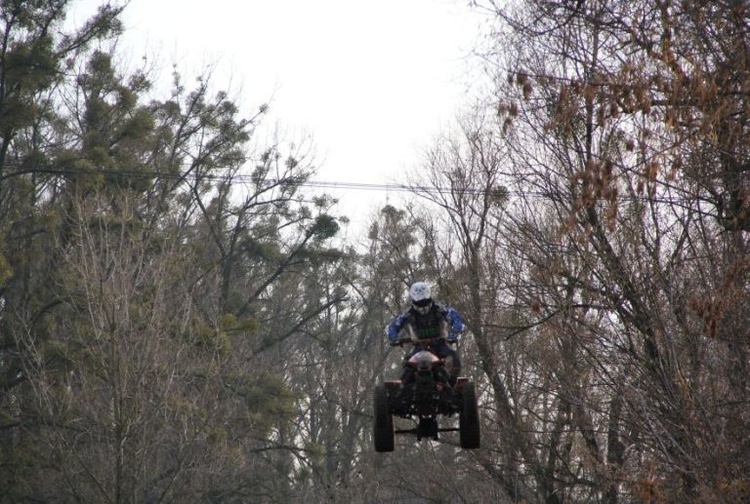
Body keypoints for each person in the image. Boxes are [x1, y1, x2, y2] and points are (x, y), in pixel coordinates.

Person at [386, 281, 465, 386]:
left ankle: (452, 386)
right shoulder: (407, 313)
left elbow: (456, 318)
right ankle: (403, 390)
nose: (423, 307)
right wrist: (394, 337)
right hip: (418, 347)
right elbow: (393, 326)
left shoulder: (440, 308)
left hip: (439, 344)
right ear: (413, 300)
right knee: (407, 366)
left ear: (429, 297)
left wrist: (454, 332)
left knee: (454, 359)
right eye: (419, 304)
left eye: (425, 302)